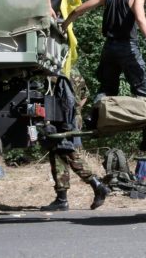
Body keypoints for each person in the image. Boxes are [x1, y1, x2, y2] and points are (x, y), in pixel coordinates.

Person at [61, 0, 146, 152]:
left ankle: (94, 118)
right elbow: (140, 19)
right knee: (145, 91)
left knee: (106, 88)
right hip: (128, 48)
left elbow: (78, 10)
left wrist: (64, 25)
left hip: (109, 48)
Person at [41, 76, 110, 212]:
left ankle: (98, 186)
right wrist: (76, 110)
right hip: (71, 118)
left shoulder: (57, 73)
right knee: (61, 155)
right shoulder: (75, 73)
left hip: (63, 119)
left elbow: (63, 98)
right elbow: (85, 95)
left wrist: (67, 118)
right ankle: (63, 199)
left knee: (67, 153)